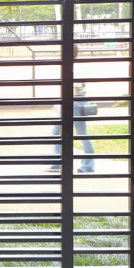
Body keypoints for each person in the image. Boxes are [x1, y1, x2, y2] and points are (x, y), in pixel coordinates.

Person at [49, 44, 95, 173]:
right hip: (72, 100)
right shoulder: (72, 65)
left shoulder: (74, 66)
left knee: (81, 133)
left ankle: (88, 166)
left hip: (76, 101)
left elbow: (72, 86)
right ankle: (58, 161)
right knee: (57, 130)